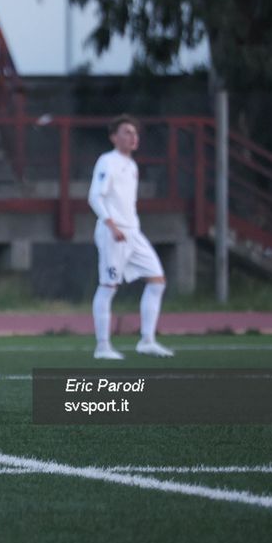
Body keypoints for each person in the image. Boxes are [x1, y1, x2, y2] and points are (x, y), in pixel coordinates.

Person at [87, 114, 174, 360]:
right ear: (114, 137)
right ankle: (102, 346)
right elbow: (95, 196)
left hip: (133, 233)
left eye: (135, 133)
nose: (133, 137)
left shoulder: (132, 165)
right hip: (113, 233)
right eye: (127, 132)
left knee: (157, 281)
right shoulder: (107, 161)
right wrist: (111, 224)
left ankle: (147, 341)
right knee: (108, 286)